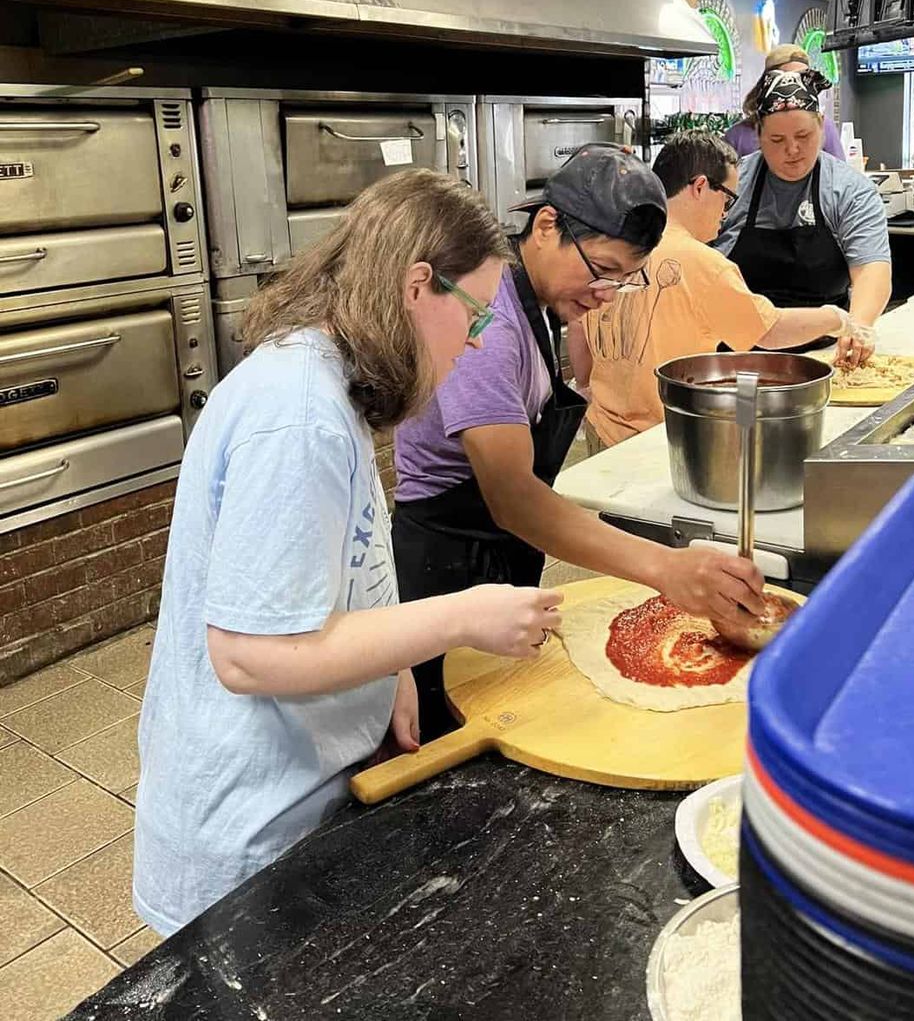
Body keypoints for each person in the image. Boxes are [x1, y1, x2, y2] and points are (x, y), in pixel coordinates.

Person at [133, 171, 564, 937]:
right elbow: (251, 654)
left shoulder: (337, 382)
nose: (474, 344)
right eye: (473, 317)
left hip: (305, 794)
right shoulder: (298, 414)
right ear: (415, 287)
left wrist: (392, 664)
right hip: (247, 837)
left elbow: (339, 568)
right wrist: (459, 616)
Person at [392, 144, 764, 739]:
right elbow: (513, 497)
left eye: (622, 281)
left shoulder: (536, 304)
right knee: (449, 744)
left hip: (500, 559)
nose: (604, 293)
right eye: (601, 270)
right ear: (546, 226)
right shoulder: (489, 321)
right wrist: (665, 568)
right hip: (446, 568)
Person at [571, 131, 861, 448]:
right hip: (660, 439)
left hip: (602, 430)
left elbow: (577, 324)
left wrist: (586, 386)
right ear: (699, 186)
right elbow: (770, 331)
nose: (726, 214)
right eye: (727, 199)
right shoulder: (702, 263)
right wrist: (836, 318)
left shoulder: (613, 243)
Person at [715, 68, 891, 369]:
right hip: (734, 354)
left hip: (823, 355)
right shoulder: (732, 184)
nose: (792, 150)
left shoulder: (849, 190)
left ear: (821, 127)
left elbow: (871, 270)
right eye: (776, 139)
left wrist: (859, 327)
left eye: (803, 136)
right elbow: (699, 261)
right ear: (758, 135)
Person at [725, 45, 846, 161]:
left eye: (803, 78)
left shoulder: (825, 128)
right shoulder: (736, 137)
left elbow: (840, 175)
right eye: (777, 139)